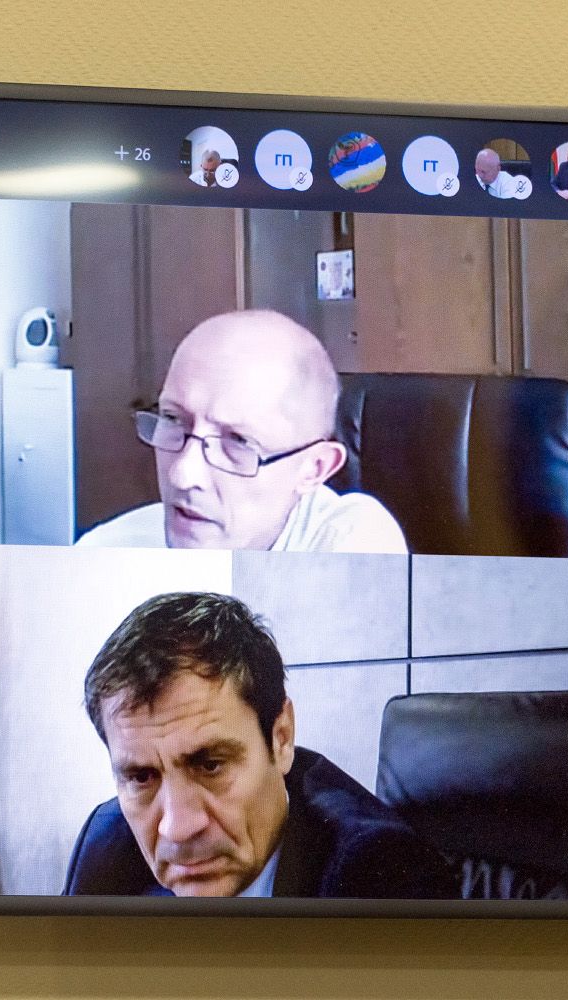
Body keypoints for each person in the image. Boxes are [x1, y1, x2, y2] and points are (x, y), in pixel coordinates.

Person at [65, 592, 457, 898]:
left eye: (211, 765)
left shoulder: (374, 870)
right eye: (141, 777)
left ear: (281, 738)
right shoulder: (106, 849)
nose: (178, 828)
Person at [77, 310, 407, 553]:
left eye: (237, 441)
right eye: (173, 419)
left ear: (314, 468)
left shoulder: (353, 544)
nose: (181, 475)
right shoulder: (104, 552)